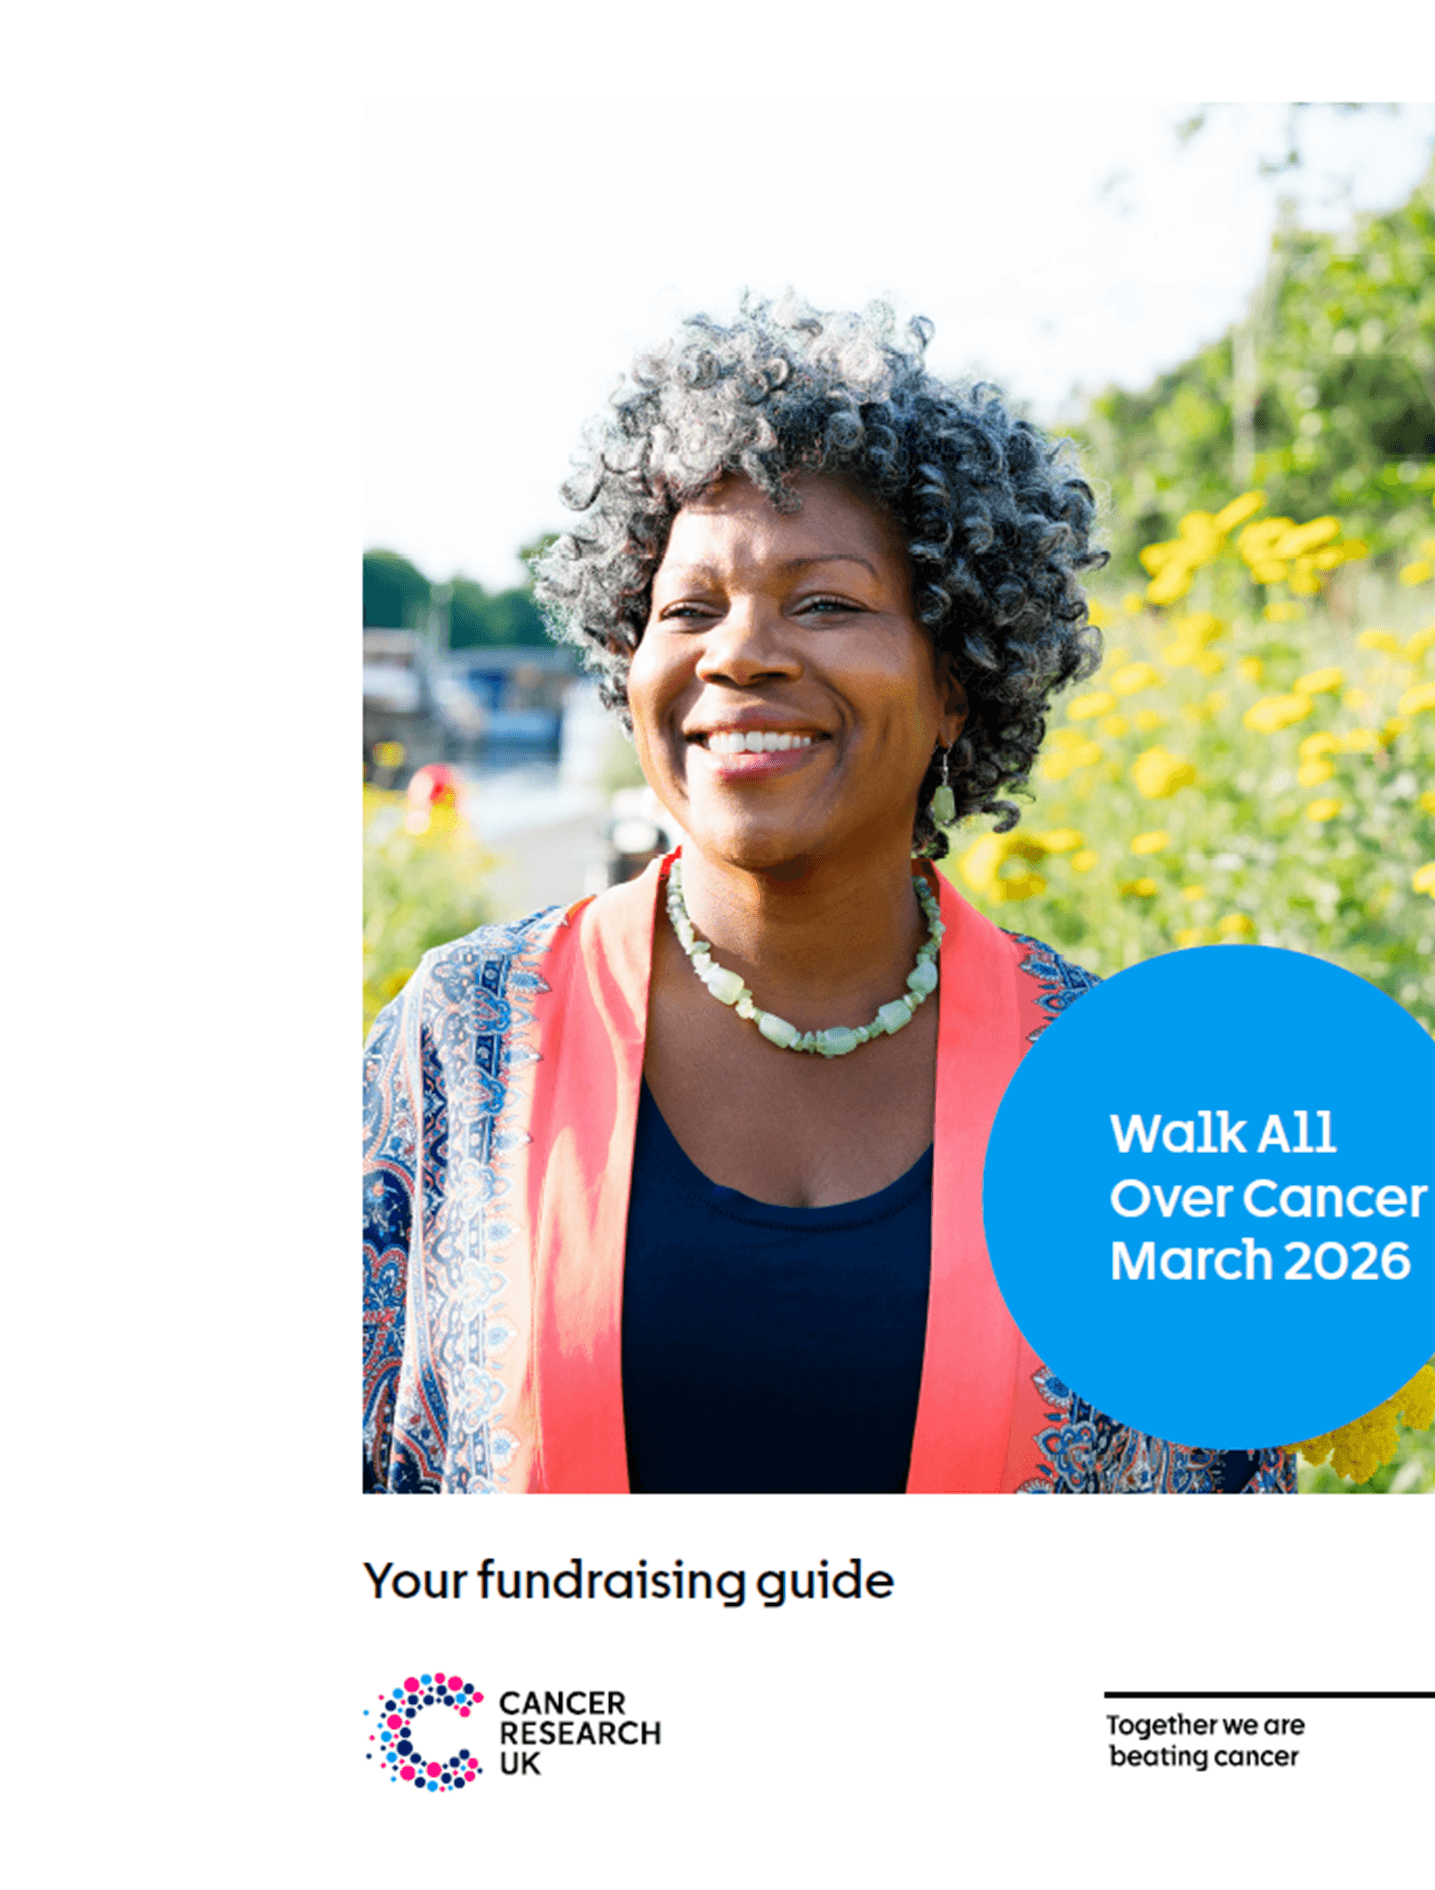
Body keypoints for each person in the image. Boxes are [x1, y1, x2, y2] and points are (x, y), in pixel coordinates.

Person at [363, 297, 1295, 1496]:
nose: (739, 653)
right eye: (688, 608)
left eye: (827, 603)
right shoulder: (466, 1038)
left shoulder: (1118, 1091)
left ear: (958, 680)